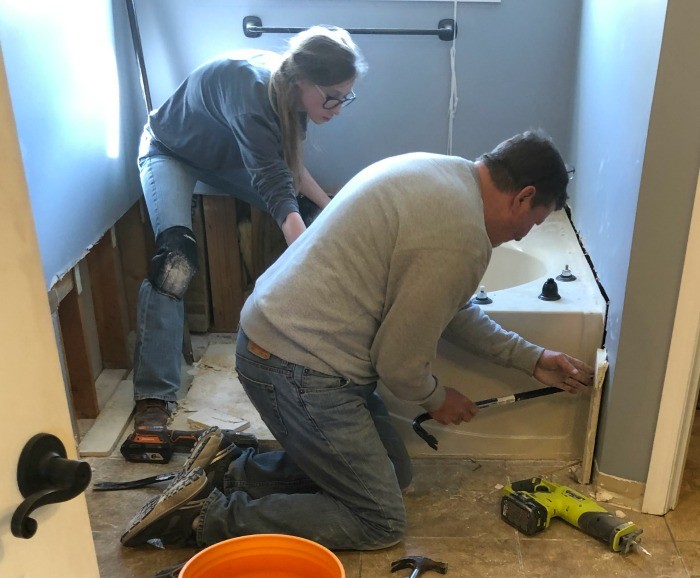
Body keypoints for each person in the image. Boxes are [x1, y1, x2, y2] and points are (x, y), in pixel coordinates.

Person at [121, 130, 595, 550]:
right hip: (297, 366)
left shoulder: (441, 173)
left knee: (395, 471)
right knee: (377, 519)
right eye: (530, 224)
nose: (518, 239)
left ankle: (228, 466)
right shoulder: (462, 236)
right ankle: (204, 518)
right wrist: (436, 399)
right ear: (523, 196)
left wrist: (532, 359)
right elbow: (398, 362)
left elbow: (450, 309)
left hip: (284, 342)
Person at [131, 27, 367, 435]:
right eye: (332, 97)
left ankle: (326, 355)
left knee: (313, 214)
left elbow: (290, 170)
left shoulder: (292, 98)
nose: (338, 108)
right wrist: (313, 259)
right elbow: (275, 185)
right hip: (171, 151)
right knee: (175, 263)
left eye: (345, 96)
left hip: (227, 157)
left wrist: (331, 214)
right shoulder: (251, 91)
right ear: (302, 82)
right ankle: (154, 394)